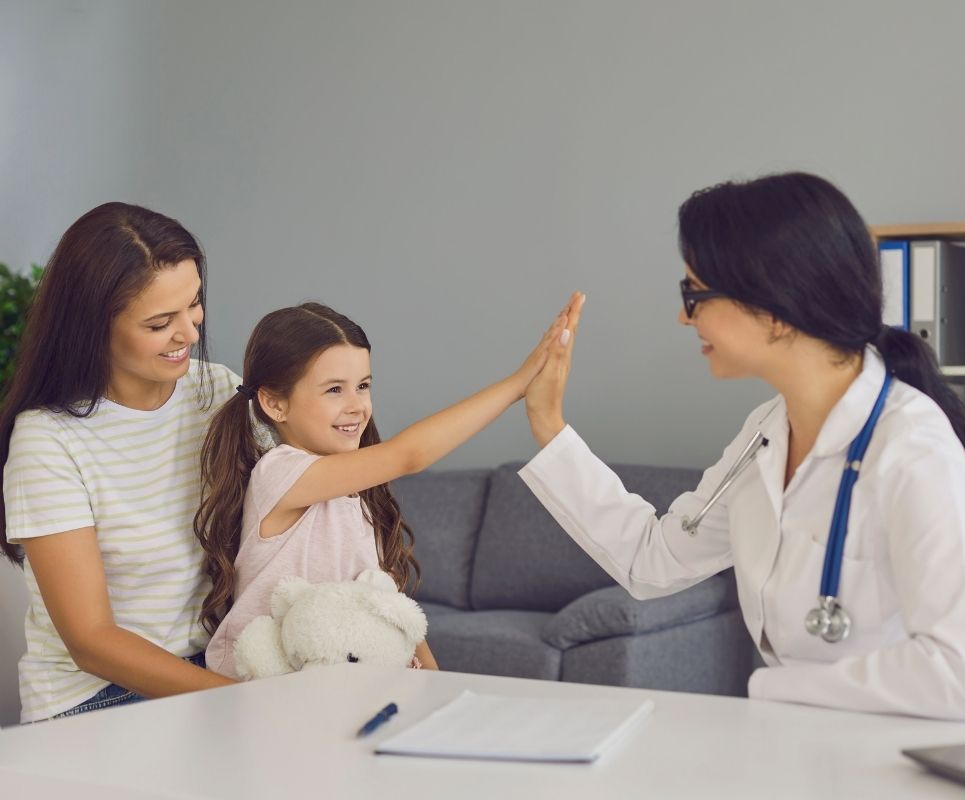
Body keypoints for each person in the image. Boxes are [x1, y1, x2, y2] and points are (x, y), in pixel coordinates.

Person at [520, 172, 965, 720]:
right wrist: (548, 423)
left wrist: (775, 689)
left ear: (773, 308)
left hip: (890, 760)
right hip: (796, 744)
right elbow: (653, 560)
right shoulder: (766, 433)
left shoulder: (912, 448)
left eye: (694, 294)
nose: (684, 316)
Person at [197, 298, 579, 679]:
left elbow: (384, 600)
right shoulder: (279, 474)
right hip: (270, 693)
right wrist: (517, 385)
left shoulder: (355, 492)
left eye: (362, 386)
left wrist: (434, 680)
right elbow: (408, 455)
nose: (357, 405)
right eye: (334, 390)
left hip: (345, 685)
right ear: (274, 404)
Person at [1, 203, 242, 722]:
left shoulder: (218, 391)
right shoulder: (48, 441)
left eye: (194, 304)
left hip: (211, 670)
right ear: (92, 327)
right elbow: (92, 641)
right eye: (160, 323)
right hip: (96, 698)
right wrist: (240, 700)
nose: (191, 334)